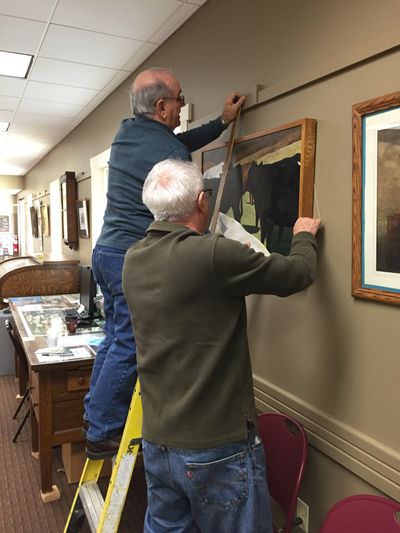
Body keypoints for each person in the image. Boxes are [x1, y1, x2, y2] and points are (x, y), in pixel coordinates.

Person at [122, 159, 321, 532]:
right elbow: (298, 273)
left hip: (159, 442)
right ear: (202, 201)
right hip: (215, 448)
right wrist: (304, 235)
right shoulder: (213, 253)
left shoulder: (133, 258)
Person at [84, 67, 244, 458]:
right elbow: (179, 159)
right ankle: (102, 430)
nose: (182, 105)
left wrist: (221, 123)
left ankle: (94, 415)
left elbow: (179, 141)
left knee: (113, 335)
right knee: (128, 341)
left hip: (104, 252)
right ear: (161, 107)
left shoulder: (125, 131)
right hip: (128, 256)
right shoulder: (170, 154)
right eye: (179, 99)